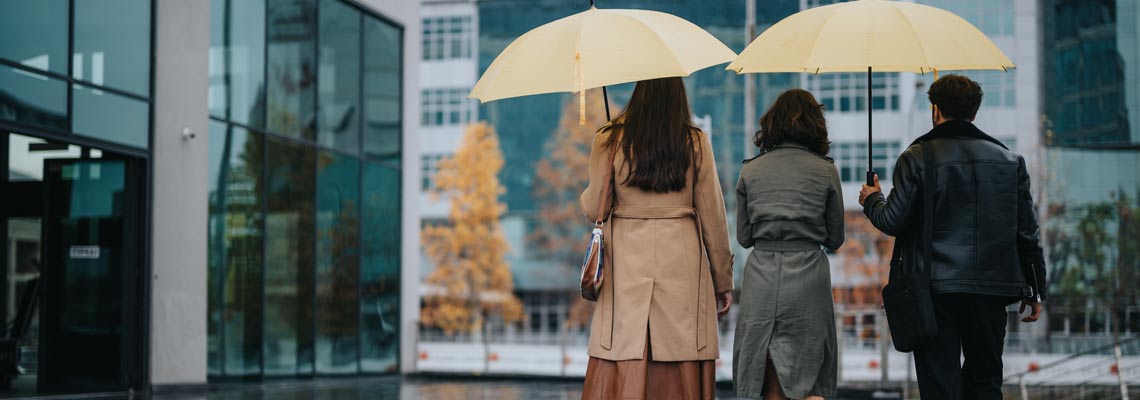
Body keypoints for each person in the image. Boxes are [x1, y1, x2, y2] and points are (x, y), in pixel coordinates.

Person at [859, 75, 1048, 400]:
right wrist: (1036, 290)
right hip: (991, 290)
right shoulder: (1009, 161)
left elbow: (893, 220)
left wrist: (872, 199)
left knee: (940, 388)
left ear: (935, 109)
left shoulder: (917, 157)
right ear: (974, 112)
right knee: (986, 383)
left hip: (935, 291)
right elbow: (1027, 234)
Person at [579, 77, 734, 400]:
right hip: (682, 266)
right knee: (680, 350)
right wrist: (722, 280)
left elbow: (596, 207)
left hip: (626, 268)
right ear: (679, 96)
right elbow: (713, 217)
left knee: (623, 345)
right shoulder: (695, 141)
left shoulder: (610, 139)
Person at [733, 89, 844, 400]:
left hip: (762, 277)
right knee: (811, 373)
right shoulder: (825, 170)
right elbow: (835, 238)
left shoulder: (751, 170)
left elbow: (743, 237)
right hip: (810, 276)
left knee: (762, 366)